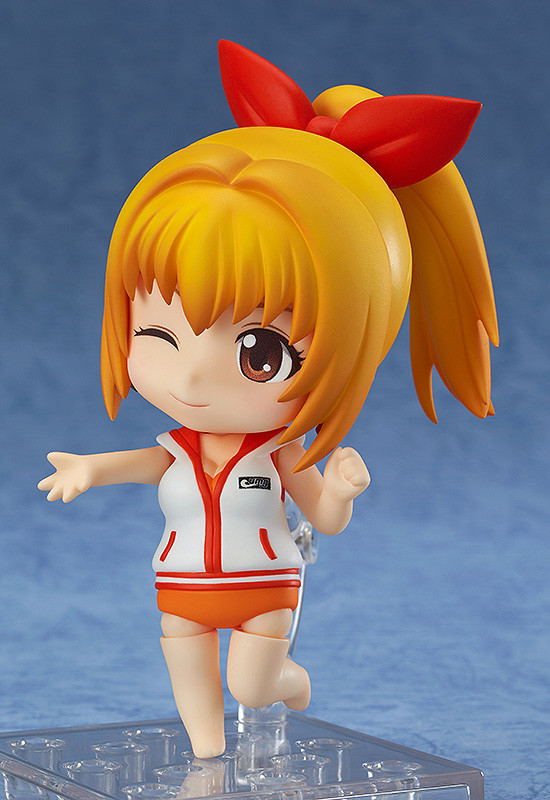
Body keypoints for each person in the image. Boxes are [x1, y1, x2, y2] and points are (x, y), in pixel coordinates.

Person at [38, 41, 498, 758]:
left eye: (259, 353)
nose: (192, 380)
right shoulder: (179, 448)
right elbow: (138, 464)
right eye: (158, 334)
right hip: (181, 582)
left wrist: (340, 491)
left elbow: (324, 519)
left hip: (265, 584)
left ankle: (288, 681)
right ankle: (206, 761)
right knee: (191, 682)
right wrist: (88, 469)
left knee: (251, 688)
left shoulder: (281, 452)